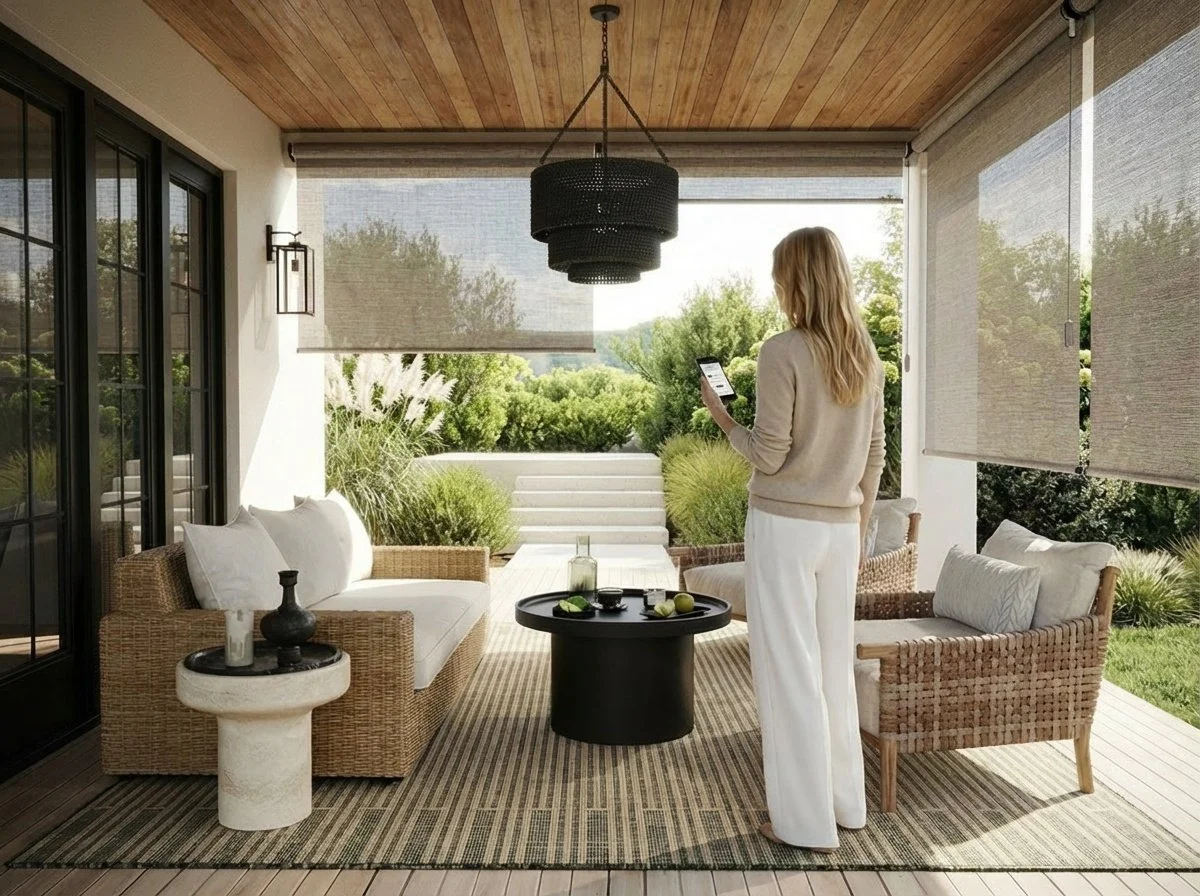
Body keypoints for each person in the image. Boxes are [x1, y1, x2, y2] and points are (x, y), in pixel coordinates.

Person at [699, 226, 885, 852]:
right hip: (841, 532)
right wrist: (857, 533)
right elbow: (875, 460)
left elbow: (769, 455)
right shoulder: (867, 357)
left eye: (780, 274)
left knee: (789, 676)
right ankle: (844, 807)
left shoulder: (782, 351)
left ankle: (802, 824)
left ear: (797, 278)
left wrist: (722, 415)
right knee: (832, 669)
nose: (776, 286)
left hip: (784, 527)